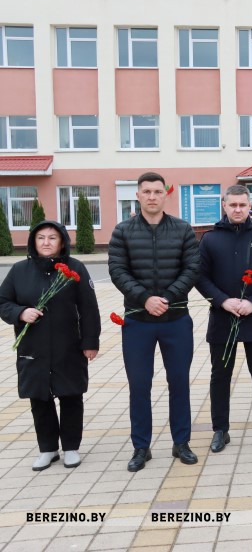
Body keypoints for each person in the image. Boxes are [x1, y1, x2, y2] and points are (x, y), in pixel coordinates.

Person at [108, 172, 201, 472]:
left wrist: (168, 298)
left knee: (179, 382)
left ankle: (181, 442)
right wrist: (146, 298)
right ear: (137, 195)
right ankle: (141, 447)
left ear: (165, 194)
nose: (152, 196)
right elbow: (118, 271)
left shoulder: (183, 229)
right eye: (146, 191)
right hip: (138, 321)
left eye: (157, 191)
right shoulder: (122, 231)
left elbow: (192, 268)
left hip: (176, 320)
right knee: (139, 385)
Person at [0, 221, 100, 471]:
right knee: (39, 398)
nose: (46, 242)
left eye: (52, 238)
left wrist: (90, 342)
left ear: (62, 241)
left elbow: (89, 308)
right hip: (33, 347)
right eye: (41, 238)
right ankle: (48, 449)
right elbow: (3, 301)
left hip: (69, 345)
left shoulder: (75, 268)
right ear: (33, 241)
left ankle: (71, 448)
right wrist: (20, 313)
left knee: (71, 395)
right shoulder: (19, 270)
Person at [195, 184, 252, 453]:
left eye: (242, 205)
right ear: (224, 206)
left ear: (249, 206)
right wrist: (222, 300)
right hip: (222, 316)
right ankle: (220, 430)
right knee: (220, 375)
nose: (238, 209)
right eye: (233, 205)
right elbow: (200, 277)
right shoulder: (209, 239)